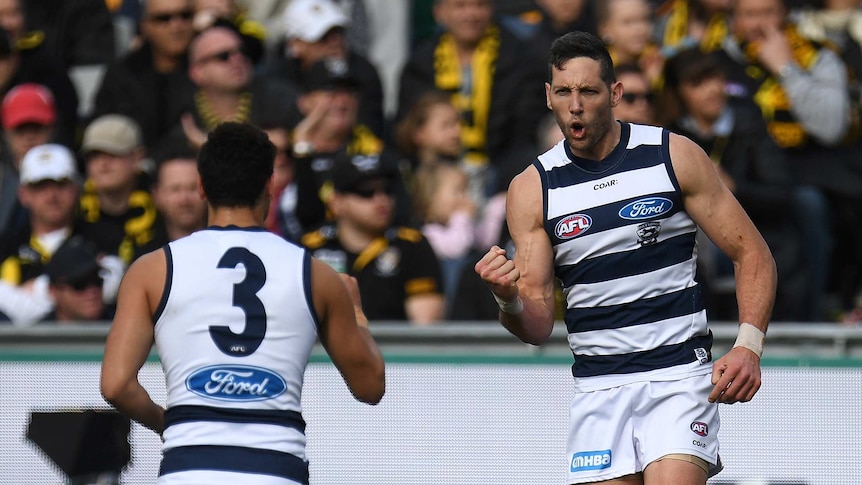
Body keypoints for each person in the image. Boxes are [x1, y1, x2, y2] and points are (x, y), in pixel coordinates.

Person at [474, 31, 776, 484]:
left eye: (589, 91)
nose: (575, 105)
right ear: (548, 96)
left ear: (615, 94)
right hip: (598, 387)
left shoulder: (672, 155)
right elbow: (536, 325)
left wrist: (748, 347)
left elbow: (751, 253)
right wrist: (506, 298)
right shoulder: (532, 188)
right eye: (564, 92)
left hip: (679, 377)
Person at [100, 121, 385, 483]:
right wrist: (357, 312)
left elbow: (116, 385)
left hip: (188, 468)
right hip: (277, 470)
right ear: (269, 185)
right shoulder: (316, 275)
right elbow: (370, 386)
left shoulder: (151, 270)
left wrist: (167, 422)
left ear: (202, 187)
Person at [301, 151, 445, 324]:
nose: (381, 199)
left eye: (387, 190)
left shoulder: (412, 246)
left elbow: (425, 329)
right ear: (336, 202)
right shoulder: (309, 248)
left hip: (394, 349)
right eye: (366, 192)